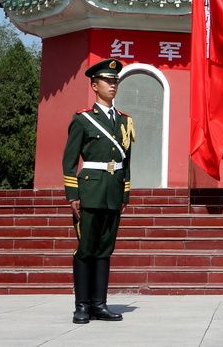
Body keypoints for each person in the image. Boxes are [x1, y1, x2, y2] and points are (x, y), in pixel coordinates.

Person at [63, 59, 134, 324]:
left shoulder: (125, 121)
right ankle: (81, 306)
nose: (113, 85)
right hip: (90, 192)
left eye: (115, 81)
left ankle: (99, 304)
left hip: (113, 192)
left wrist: (125, 193)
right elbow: (69, 161)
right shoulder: (82, 120)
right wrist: (73, 195)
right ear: (95, 85)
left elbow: (127, 161)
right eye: (108, 81)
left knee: (105, 248)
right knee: (86, 249)